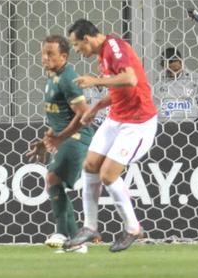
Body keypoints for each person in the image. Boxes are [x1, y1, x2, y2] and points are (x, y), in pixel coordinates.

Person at [65, 19, 158, 253]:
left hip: (138, 123)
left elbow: (130, 79)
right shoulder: (103, 54)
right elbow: (119, 89)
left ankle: (133, 228)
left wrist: (94, 81)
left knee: (108, 174)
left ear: (87, 39)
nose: (76, 50)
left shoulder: (114, 47)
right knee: (90, 164)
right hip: (116, 117)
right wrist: (96, 108)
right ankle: (90, 226)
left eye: (76, 45)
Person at [27, 35, 93, 253]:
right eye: (43, 53)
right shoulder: (52, 78)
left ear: (64, 56)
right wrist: (45, 141)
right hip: (66, 138)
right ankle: (76, 242)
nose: (45, 58)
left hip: (77, 139)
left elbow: (83, 114)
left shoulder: (67, 78)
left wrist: (60, 137)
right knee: (55, 182)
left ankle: (64, 233)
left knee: (53, 178)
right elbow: (60, 118)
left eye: (50, 54)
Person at [156, 46, 198, 121]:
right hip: (165, 126)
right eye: (169, 70)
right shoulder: (158, 82)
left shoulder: (195, 78)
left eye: (176, 69)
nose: (173, 73)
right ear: (163, 67)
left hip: (191, 126)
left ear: (181, 63)